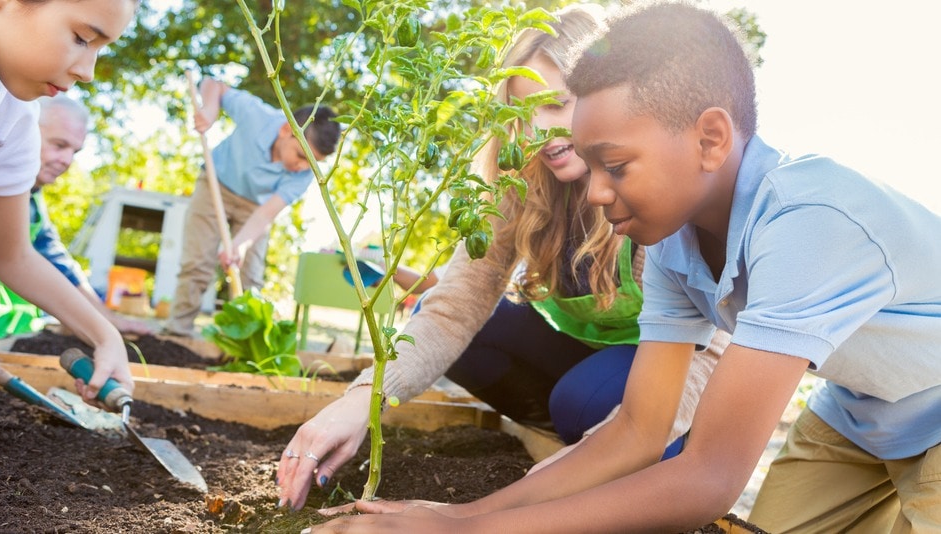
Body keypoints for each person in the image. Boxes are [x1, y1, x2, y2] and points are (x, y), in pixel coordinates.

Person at [305, 2, 941, 533]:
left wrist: (467, 531)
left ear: (711, 138)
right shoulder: (672, 244)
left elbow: (710, 478)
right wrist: (462, 514)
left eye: (615, 164)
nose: (597, 191)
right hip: (860, 414)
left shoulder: (810, 223)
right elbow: (638, 430)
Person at [277, 4, 725, 512]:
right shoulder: (518, 183)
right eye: (522, 112)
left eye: (558, 104)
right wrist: (363, 400)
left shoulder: (652, 187)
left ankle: (607, 437)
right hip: (582, 358)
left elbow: (712, 349)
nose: (538, 131)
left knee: (583, 399)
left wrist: (548, 486)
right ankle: (565, 433)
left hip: (667, 368)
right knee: (449, 324)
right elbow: (453, 308)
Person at [0, 0, 138, 401]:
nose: (87, 72)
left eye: (99, 49)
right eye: (81, 38)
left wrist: (104, 335)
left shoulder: (12, 120)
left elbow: (12, 255)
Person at [163, 77, 341, 337]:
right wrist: (210, 109)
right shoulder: (258, 116)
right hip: (216, 185)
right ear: (285, 130)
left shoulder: (304, 175)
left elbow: (266, 213)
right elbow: (215, 84)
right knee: (198, 263)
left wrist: (241, 244)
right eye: (302, 155)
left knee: (250, 275)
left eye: (312, 162)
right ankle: (176, 333)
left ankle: (242, 343)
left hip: (256, 206)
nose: (303, 166)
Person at [0, 95, 153, 339]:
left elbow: (58, 262)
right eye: (59, 145)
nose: (67, 160)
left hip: (5, 333)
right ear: (26, 131)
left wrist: (105, 320)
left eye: (74, 151)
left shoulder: (33, 199)